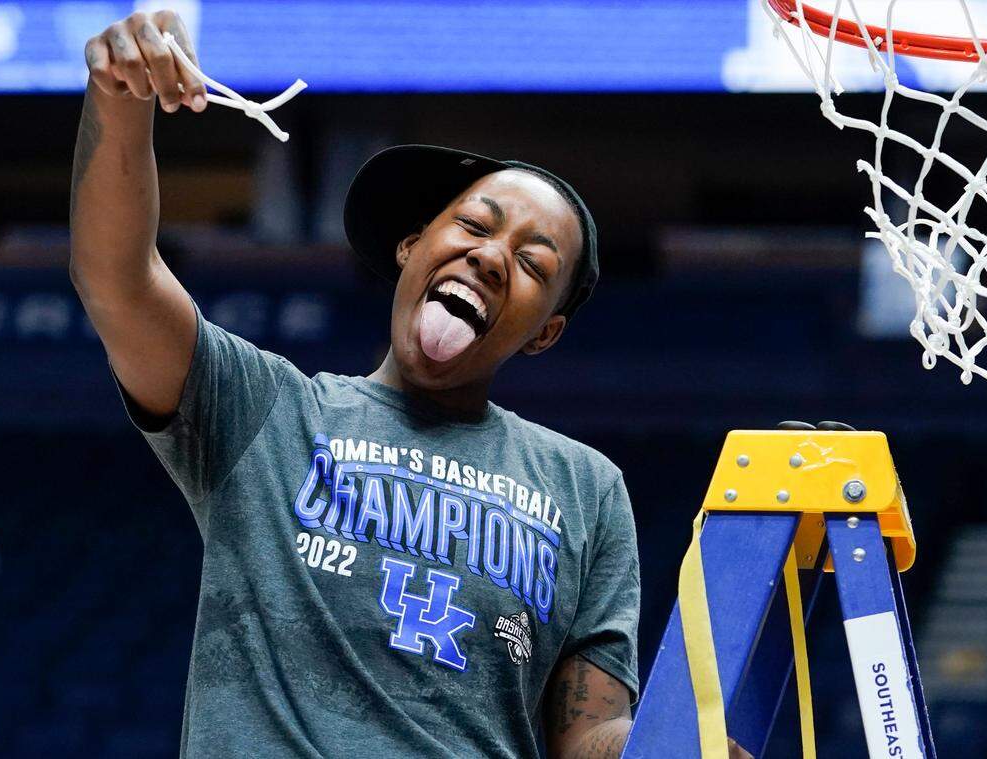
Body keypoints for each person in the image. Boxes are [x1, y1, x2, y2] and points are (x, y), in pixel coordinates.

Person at [70, 10, 642, 759]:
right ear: (412, 248)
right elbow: (117, 280)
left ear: (543, 332)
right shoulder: (266, 409)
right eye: (473, 224)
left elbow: (592, 735)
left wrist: (688, 740)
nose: (493, 257)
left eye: (533, 264)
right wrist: (119, 96)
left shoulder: (586, 487)